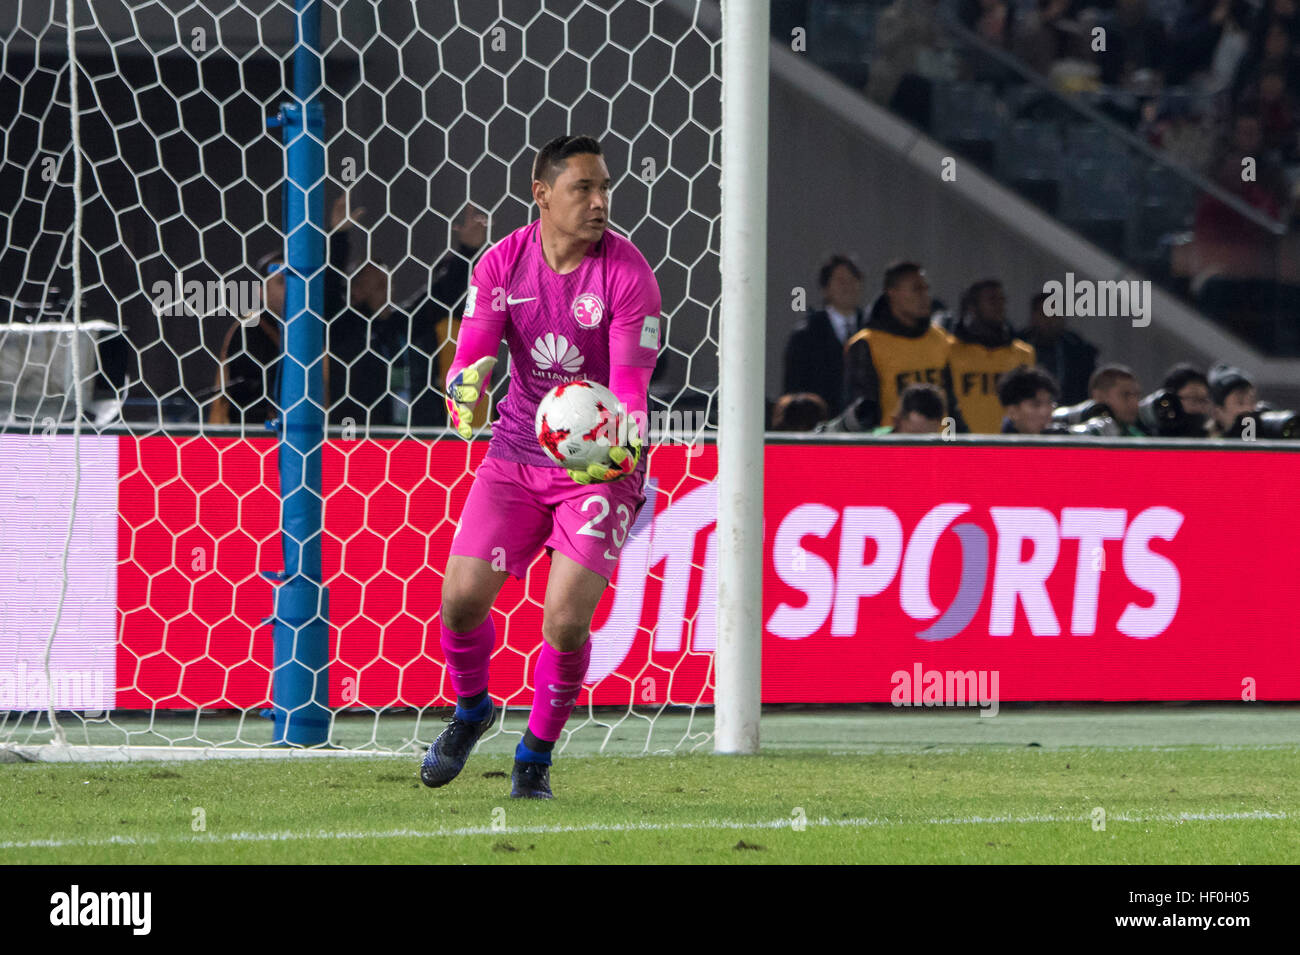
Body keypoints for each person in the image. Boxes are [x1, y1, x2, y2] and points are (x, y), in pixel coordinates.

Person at [422, 134, 660, 800]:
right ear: (542, 194)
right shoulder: (500, 264)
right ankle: (471, 711)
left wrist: (613, 449)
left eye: (604, 186)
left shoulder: (628, 274)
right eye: (583, 187)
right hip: (517, 455)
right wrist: (464, 392)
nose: (599, 201)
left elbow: (631, 392)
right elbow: (473, 358)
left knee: (563, 619)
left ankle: (534, 759)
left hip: (603, 460)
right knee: (462, 598)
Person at [843, 260, 964, 431]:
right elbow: (862, 413)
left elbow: (951, 402)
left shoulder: (940, 337)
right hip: (892, 449)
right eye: (916, 289)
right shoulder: (867, 343)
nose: (925, 296)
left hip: (939, 448)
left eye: (926, 289)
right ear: (892, 293)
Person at [401, 204, 490, 428]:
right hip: (424, 431)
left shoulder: (469, 331)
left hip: (470, 429)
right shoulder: (417, 327)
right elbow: (438, 298)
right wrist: (466, 253)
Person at [946, 279, 1036, 433]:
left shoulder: (1023, 354)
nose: (1000, 306)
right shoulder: (949, 350)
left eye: (1002, 300)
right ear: (972, 307)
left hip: (1007, 446)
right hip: (962, 445)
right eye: (992, 300)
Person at [782, 254, 867, 417]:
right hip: (820, 427)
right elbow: (793, 390)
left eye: (853, 280)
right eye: (841, 281)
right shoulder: (805, 335)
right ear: (825, 289)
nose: (848, 287)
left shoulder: (873, 329)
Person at [208, 249, 285, 427]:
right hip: (252, 434)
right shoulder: (248, 328)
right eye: (281, 282)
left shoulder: (308, 331)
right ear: (261, 291)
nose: (288, 290)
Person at [1017, 291, 1098, 405]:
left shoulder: (1078, 351)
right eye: (1045, 314)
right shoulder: (1015, 347)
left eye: (1056, 314)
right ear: (1033, 316)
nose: (1050, 321)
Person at [996, 365, 1059, 434]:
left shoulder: (1063, 440)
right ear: (1012, 411)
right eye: (1036, 405)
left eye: (1049, 403)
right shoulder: (994, 444)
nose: (1045, 412)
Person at [1207, 361, 1258, 436]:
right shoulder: (1204, 444)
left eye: (1252, 401)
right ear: (1216, 412)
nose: (1249, 409)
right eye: (1240, 402)